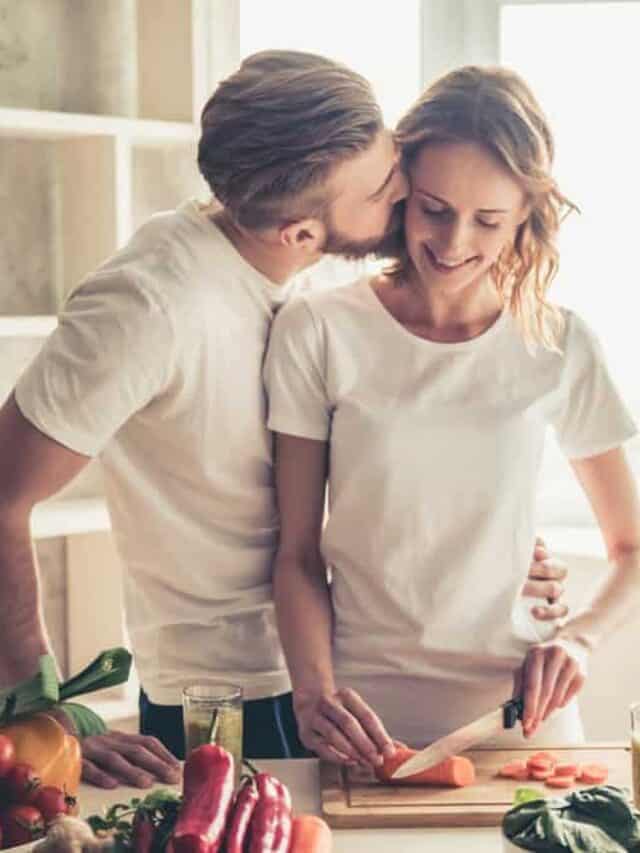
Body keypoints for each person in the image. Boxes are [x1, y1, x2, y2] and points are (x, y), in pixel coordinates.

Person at [0, 53, 567, 788]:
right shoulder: (145, 307)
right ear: (301, 231)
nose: (405, 194)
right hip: (228, 696)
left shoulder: (319, 258)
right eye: (382, 187)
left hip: (347, 669)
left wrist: (495, 539)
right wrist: (40, 711)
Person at [264, 65, 640, 769]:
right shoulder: (318, 327)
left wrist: (580, 638)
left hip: (523, 720)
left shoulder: (560, 343)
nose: (452, 240)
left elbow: (631, 549)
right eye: (433, 208)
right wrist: (313, 691)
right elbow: (297, 553)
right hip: (363, 722)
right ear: (399, 191)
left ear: (527, 216)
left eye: (488, 220)